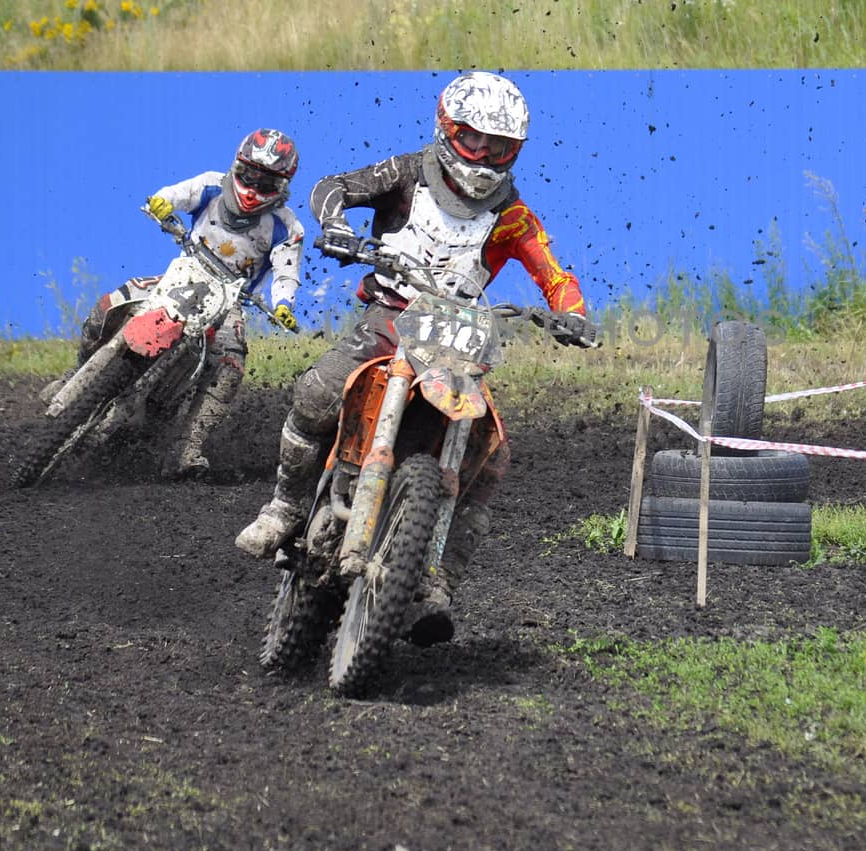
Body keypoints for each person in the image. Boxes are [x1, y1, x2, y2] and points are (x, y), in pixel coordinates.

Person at [233, 71, 597, 640]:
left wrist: (571, 313)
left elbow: (553, 272)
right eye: (472, 140)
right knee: (318, 391)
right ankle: (283, 506)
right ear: (446, 130)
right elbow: (333, 187)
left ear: (515, 151)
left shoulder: (513, 215)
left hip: (459, 338)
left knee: (492, 454)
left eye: (498, 147)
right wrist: (335, 228)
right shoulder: (406, 172)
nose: (482, 156)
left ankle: (435, 580)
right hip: (389, 317)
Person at [43, 129, 306, 479]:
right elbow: (180, 194)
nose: (255, 187)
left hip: (231, 301)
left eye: (267, 182)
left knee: (230, 365)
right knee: (112, 302)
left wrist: (284, 304)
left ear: (283, 186)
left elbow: (286, 273)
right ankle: (75, 375)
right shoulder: (213, 185)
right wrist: (162, 202)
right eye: (250, 176)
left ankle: (188, 448)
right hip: (183, 273)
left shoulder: (287, 227)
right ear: (237, 167)